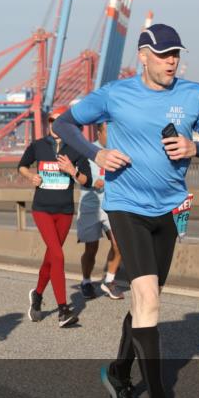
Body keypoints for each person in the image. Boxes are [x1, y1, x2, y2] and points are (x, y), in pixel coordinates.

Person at [54, 23, 199, 398]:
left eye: (176, 53)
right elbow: (63, 125)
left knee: (145, 300)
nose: (172, 60)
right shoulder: (116, 94)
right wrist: (98, 152)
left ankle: (118, 372)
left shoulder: (193, 95)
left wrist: (195, 148)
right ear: (144, 57)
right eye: (165, 54)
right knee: (148, 297)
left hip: (169, 209)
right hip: (125, 206)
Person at [17, 106, 91, 327]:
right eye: (51, 120)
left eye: (59, 121)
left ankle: (37, 296)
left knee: (51, 257)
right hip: (42, 209)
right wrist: (31, 176)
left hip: (65, 211)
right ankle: (63, 310)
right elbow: (21, 166)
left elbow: (86, 179)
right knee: (58, 256)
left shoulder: (76, 147)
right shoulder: (39, 145)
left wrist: (72, 171)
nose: (54, 124)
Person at [76, 122, 124, 300]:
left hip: (114, 205)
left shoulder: (120, 149)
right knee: (91, 248)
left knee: (120, 244)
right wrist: (93, 180)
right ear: (99, 132)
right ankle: (86, 281)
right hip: (91, 205)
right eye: (107, 132)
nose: (111, 136)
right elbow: (76, 174)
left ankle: (109, 281)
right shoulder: (87, 150)